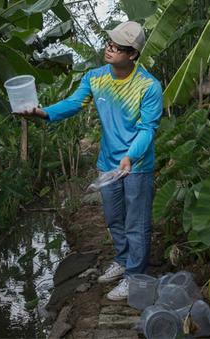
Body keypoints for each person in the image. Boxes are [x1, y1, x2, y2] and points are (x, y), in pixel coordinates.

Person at [20, 21, 163, 300]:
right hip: (108, 163)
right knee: (113, 218)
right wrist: (42, 112)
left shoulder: (149, 86)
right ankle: (122, 261)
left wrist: (130, 157)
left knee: (136, 222)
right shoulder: (95, 77)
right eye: (108, 44)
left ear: (132, 54)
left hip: (136, 165)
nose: (108, 50)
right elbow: (74, 103)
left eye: (116, 47)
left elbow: (148, 130)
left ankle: (134, 276)